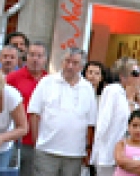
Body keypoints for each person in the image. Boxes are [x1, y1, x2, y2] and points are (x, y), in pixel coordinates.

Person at [25, 47, 98, 176]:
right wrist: (37, 142)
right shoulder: (47, 82)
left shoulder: (87, 88)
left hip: (74, 153)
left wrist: (87, 150)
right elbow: (34, 113)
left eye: (75, 63)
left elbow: (90, 123)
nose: (70, 66)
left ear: (81, 67)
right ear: (61, 62)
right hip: (47, 150)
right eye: (67, 61)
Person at [93, 59, 140, 176]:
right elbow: (104, 122)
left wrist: (137, 95)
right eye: (135, 73)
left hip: (130, 154)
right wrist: (96, 150)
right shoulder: (113, 91)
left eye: (139, 73)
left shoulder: (136, 94)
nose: (139, 76)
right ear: (122, 76)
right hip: (109, 154)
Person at [8, 42, 48, 164]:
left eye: (39, 56)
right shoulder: (13, 78)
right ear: (26, 57)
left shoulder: (50, 81)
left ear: (45, 59)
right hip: (15, 140)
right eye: (32, 55)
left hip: (40, 142)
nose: (35, 59)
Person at [114, 110, 140, 176]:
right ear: (128, 126)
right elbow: (120, 161)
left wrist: (127, 165)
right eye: (134, 125)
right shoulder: (121, 144)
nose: (138, 130)